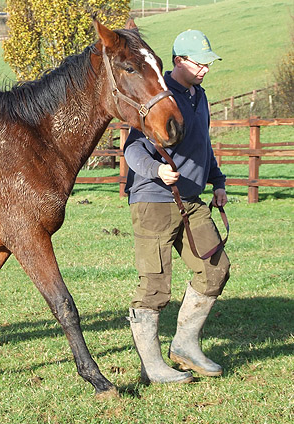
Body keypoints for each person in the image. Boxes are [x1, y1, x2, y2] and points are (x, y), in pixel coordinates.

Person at [123, 29, 231, 384]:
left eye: (207, 63)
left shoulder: (199, 97)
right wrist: (158, 170)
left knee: (215, 269)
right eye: (198, 63)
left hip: (192, 201)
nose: (205, 69)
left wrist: (218, 181)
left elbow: (205, 145)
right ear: (178, 61)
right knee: (154, 286)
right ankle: (152, 366)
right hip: (153, 201)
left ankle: (184, 345)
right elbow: (133, 150)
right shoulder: (157, 94)